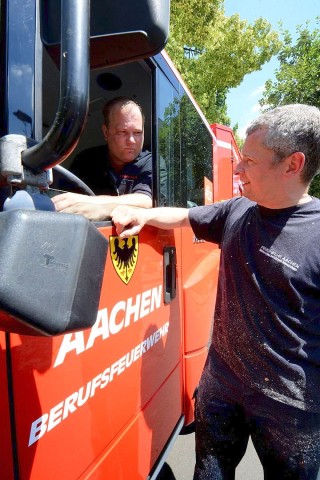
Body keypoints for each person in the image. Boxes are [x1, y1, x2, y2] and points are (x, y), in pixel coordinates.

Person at [110, 104, 320, 480]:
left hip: (290, 406)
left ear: (293, 164)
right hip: (222, 384)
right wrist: (141, 215)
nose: (237, 170)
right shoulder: (238, 211)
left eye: (250, 161)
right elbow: (183, 216)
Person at [52, 96, 153, 220]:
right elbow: (64, 199)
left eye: (138, 132)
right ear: (106, 133)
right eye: (123, 132)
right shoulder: (86, 160)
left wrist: (95, 205)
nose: (131, 140)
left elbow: (145, 201)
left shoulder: (151, 161)